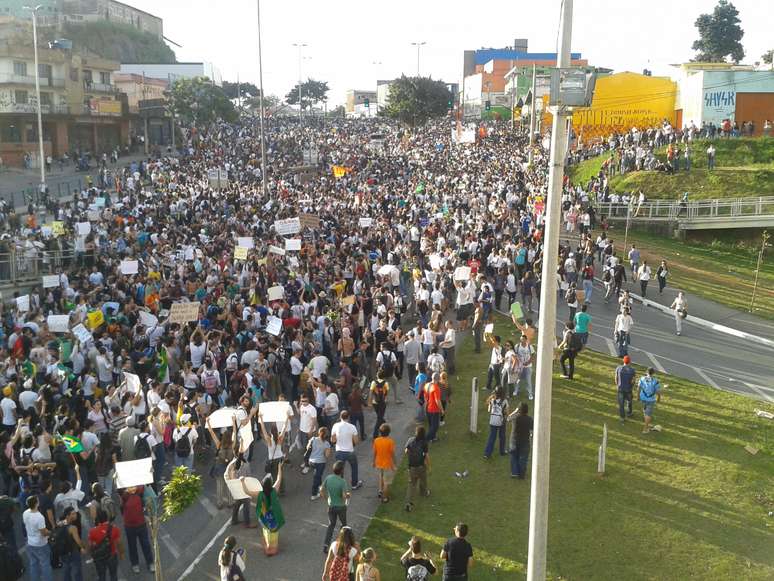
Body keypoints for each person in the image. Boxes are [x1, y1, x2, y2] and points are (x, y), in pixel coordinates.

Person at [241, 462, 285, 555]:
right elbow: (279, 478)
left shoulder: (260, 494)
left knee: (266, 529)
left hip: (264, 516)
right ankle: (274, 548)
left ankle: (267, 546)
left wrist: (242, 482)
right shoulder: (274, 490)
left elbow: (247, 492)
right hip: (274, 516)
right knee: (274, 531)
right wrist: (279, 468)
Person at [120, 486, 155, 574]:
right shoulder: (124, 496)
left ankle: (150, 562)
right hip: (129, 527)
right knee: (132, 546)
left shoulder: (139, 491)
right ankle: (135, 564)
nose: (133, 488)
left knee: (146, 545)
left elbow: (144, 482)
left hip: (141, 525)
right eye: (130, 487)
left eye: (134, 486)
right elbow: (119, 489)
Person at [321, 460, 351, 553]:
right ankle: (344, 544)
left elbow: (322, 490)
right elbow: (344, 496)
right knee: (344, 525)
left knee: (331, 525)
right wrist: (348, 495)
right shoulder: (342, 482)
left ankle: (326, 544)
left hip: (331, 506)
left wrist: (327, 499)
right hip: (341, 507)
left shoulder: (328, 478)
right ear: (342, 471)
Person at [331, 411, 363, 490]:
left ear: (340, 417)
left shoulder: (335, 426)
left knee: (339, 469)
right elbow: (356, 441)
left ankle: (340, 486)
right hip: (349, 451)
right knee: (354, 467)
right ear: (348, 417)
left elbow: (333, 440)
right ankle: (354, 484)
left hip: (339, 451)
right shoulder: (352, 427)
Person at [23, 495, 53, 581]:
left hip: (29, 542)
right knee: (45, 565)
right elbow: (44, 533)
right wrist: (51, 533)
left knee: (33, 564)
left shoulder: (25, 513)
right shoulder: (39, 517)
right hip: (40, 544)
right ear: (36, 503)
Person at [88, 510, 123, 581]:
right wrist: (121, 553)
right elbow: (119, 543)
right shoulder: (114, 529)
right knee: (113, 575)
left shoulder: (92, 531)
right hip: (112, 555)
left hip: (99, 557)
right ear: (107, 517)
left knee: (101, 576)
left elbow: (90, 546)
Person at [404, 425, 430, 512]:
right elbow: (426, 455)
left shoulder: (410, 440)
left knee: (411, 484)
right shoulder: (424, 442)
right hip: (421, 466)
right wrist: (429, 465)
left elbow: (406, 451)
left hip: (411, 466)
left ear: (416, 432)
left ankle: (409, 502)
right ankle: (423, 492)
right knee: (423, 479)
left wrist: (411, 455)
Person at [57, 506, 86, 581]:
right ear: (67, 516)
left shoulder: (60, 523)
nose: (75, 515)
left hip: (63, 551)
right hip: (73, 551)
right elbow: (78, 541)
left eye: (75, 513)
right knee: (77, 570)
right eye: (73, 514)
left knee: (66, 570)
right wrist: (82, 547)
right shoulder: (72, 528)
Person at [507, 402, 533, 479]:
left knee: (514, 456)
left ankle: (514, 472)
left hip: (514, 440)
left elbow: (508, 418)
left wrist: (515, 411)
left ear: (519, 410)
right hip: (525, 441)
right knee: (523, 458)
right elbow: (532, 430)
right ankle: (521, 474)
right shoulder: (529, 419)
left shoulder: (515, 417)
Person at [372, 423, 396, 502]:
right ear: (389, 432)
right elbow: (392, 453)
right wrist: (394, 463)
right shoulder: (390, 441)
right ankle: (385, 498)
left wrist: (373, 461)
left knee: (381, 476)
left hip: (379, 463)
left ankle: (380, 490)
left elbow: (375, 452)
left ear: (380, 432)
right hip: (387, 464)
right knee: (387, 482)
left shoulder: (376, 440)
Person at [308, 426, 332, 500]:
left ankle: (320, 488)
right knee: (317, 477)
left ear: (319, 433)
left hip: (311, 461)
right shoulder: (326, 443)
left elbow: (307, 447)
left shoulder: (313, 439)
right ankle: (314, 494)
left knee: (318, 475)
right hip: (320, 463)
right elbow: (327, 455)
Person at [483, 387, 508, 459]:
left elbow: (486, 403)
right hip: (501, 421)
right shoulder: (504, 401)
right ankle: (502, 451)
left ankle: (487, 454)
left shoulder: (492, 400)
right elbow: (507, 411)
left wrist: (491, 396)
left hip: (493, 420)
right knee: (502, 436)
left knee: (492, 437)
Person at [638, 368, 662, 434]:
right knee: (648, 414)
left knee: (644, 410)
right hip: (651, 399)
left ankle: (645, 419)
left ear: (646, 372)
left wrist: (637, 396)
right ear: (653, 373)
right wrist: (659, 398)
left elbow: (639, 388)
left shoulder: (642, 378)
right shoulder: (656, 381)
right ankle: (645, 429)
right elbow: (658, 391)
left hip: (642, 397)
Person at [615, 356, 636, 422]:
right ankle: (629, 413)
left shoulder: (618, 368)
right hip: (628, 389)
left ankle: (622, 417)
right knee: (629, 401)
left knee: (621, 404)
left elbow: (616, 378)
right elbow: (633, 381)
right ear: (629, 362)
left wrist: (617, 385)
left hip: (620, 388)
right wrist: (632, 386)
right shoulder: (632, 370)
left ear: (623, 361)